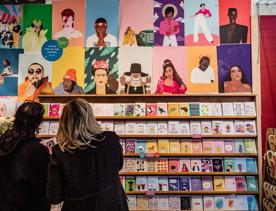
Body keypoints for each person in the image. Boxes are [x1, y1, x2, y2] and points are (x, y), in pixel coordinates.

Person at [47, 98, 129, 211]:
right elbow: (118, 165)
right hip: (112, 204)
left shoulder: (59, 151)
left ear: (64, 121)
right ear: (90, 116)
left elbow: (54, 197)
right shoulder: (110, 139)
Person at [0, 101, 50, 211]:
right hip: (30, 205)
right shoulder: (38, 150)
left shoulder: (3, 142)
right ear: (38, 123)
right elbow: (44, 184)